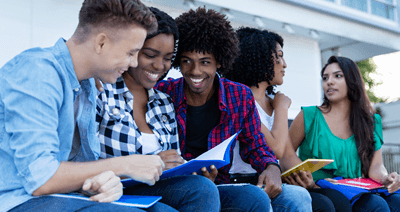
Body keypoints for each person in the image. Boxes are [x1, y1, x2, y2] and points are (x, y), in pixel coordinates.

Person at [0, 0, 186, 211]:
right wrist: (125, 165)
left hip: (61, 196)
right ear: (101, 43)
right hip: (17, 200)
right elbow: (41, 178)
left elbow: (81, 167)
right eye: (130, 52)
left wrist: (104, 183)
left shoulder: (88, 84)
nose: (134, 63)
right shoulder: (37, 72)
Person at [156, 7, 312, 212]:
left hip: (220, 183)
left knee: (286, 197)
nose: (195, 71)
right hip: (176, 185)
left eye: (205, 62)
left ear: (219, 62)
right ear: (178, 61)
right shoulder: (164, 92)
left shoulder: (238, 96)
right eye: (187, 61)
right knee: (224, 193)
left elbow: (256, 146)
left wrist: (271, 167)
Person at [96, 7, 220, 212]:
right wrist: (147, 163)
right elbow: (84, 160)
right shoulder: (102, 90)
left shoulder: (163, 102)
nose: (159, 66)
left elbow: (173, 160)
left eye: (167, 58)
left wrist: (189, 171)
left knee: (204, 188)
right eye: (150, 55)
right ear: (132, 49)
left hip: (152, 188)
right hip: (113, 188)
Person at [224, 27, 337, 212]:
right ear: (258, 57)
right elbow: (274, 149)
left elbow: (286, 155)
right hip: (246, 180)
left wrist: (307, 179)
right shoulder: (241, 101)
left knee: (330, 201)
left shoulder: (274, 102)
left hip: (275, 177)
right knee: (318, 204)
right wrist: (282, 109)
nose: (284, 64)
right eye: (279, 56)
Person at [280, 56, 400, 212]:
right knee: (376, 205)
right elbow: (285, 154)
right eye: (325, 78)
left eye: (338, 76)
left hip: (356, 189)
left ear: (352, 80)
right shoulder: (309, 116)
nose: (329, 81)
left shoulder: (371, 121)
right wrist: (304, 177)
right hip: (318, 188)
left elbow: (376, 166)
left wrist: (386, 178)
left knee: (396, 201)